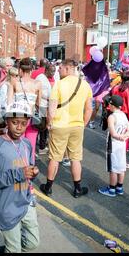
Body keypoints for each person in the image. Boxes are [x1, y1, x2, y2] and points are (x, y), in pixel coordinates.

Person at [0, 101, 40, 253]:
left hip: (26, 201)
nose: (19, 127)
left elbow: (28, 169)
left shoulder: (27, 144)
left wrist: (33, 172)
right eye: (15, 122)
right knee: (14, 250)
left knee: (32, 243)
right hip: (8, 207)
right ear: (7, 121)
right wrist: (18, 174)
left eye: (23, 123)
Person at [40, 59, 93, 198]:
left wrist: (49, 124)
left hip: (59, 125)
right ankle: (77, 188)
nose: (58, 70)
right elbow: (89, 109)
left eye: (61, 68)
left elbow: (51, 109)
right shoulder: (85, 85)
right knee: (75, 158)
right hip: (77, 125)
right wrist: (83, 123)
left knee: (55, 158)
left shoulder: (59, 85)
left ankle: (48, 187)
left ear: (69, 68)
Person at [7, 58, 42, 160]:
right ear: (32, 70)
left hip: (17, 118)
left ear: (20, 70)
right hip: (31, 118)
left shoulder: (14, 82)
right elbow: (39, 103)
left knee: (18, 146)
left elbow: (9, 103)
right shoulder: (38, 83)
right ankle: (29, 171)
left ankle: (18, 171)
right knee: (31, 145)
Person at [98, 95, 129, 197]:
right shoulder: (123, 115)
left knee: (113, 168)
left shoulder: (112, 117)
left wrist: (119, 137)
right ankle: (119, 187)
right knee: (121, 166)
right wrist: (124, 137)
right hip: (122, 144)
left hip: (113, 144)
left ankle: (111, 189)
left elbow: (112, 133)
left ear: (112, 105)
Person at [35, 62, 55, 154]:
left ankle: (41, 145)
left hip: (45, 105)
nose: (53, 73)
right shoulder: (40, 78)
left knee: (43, 127)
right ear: (46, 70)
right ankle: (41, 147)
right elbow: (39, 92)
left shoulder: (45, 78)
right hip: (42, 106)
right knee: (42, 127)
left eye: (54, 71)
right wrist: (50, 97)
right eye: (52, 71)